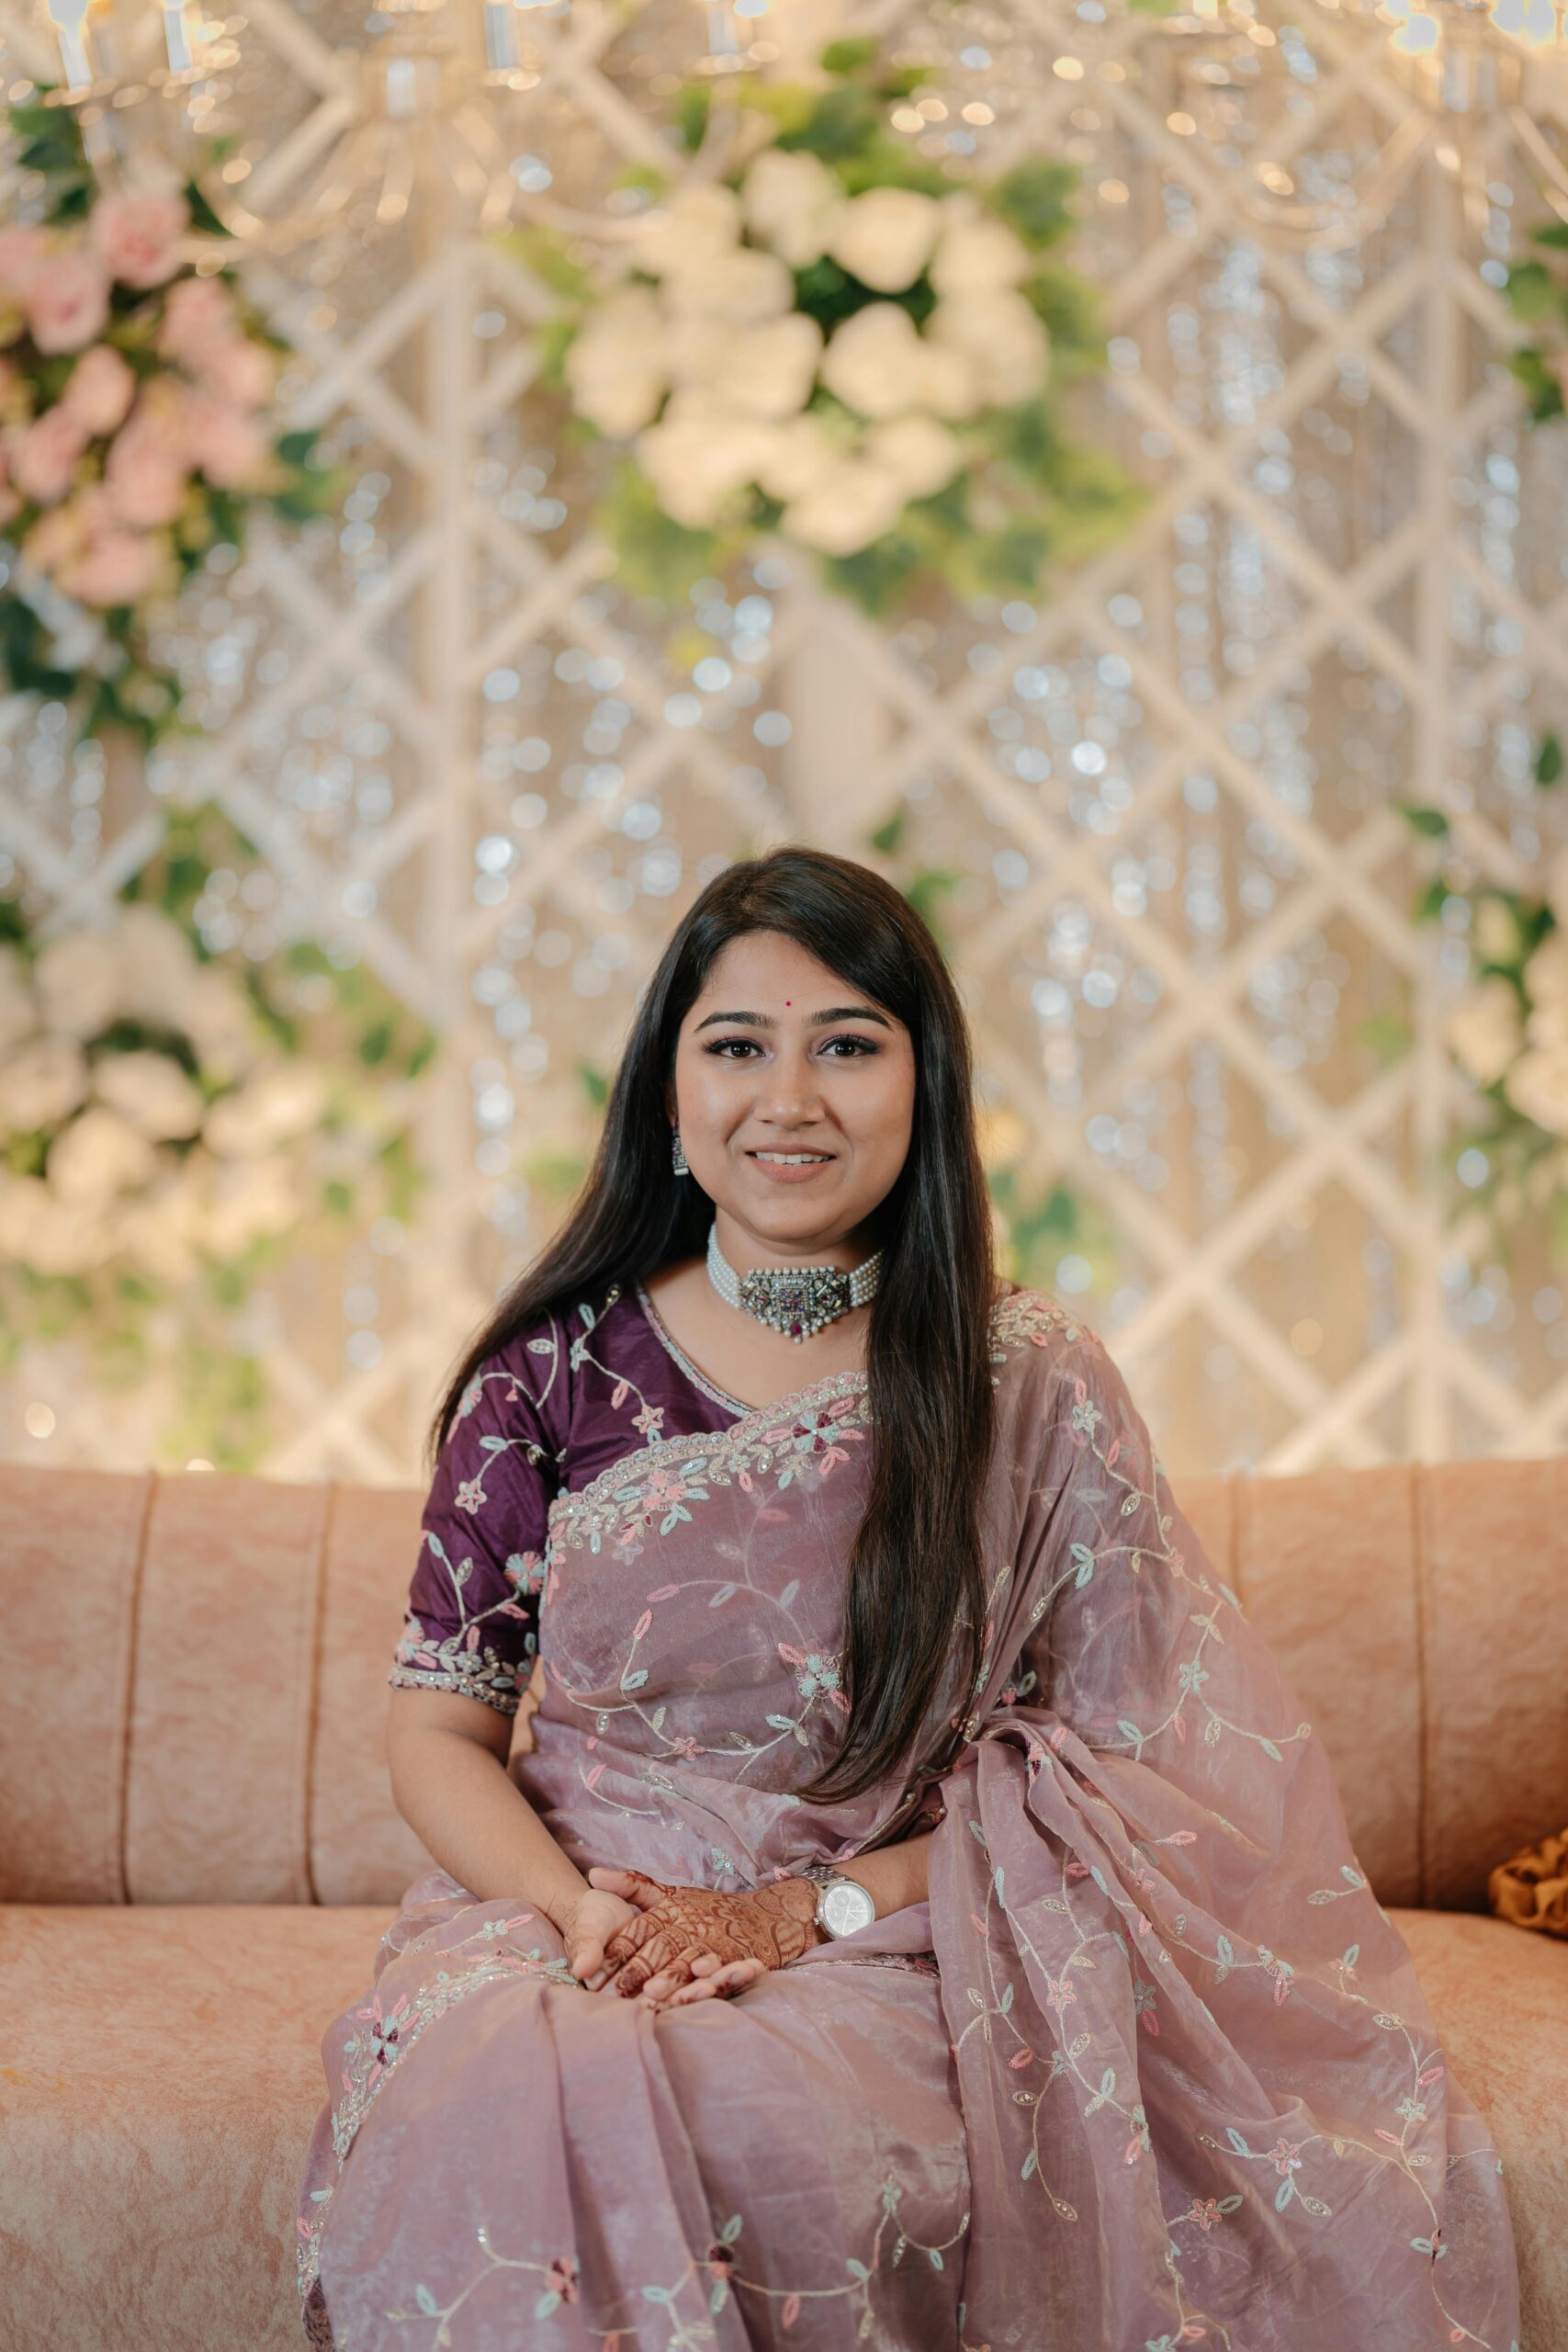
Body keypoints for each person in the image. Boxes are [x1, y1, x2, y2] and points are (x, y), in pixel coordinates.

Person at [296, 845, 1520, 2352]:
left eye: (849, 1047)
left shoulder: (1025, 1385)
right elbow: (437, 1737)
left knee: (762, 2120)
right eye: (737, 1046)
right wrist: (579, 1918)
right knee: (501, 2100)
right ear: (668, 1096)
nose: (789, 1098)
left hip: (881, 1942)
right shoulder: (547, 1375)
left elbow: (1125, 1779)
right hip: (564, 1921)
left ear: (924, 1089)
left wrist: (796, 1914)